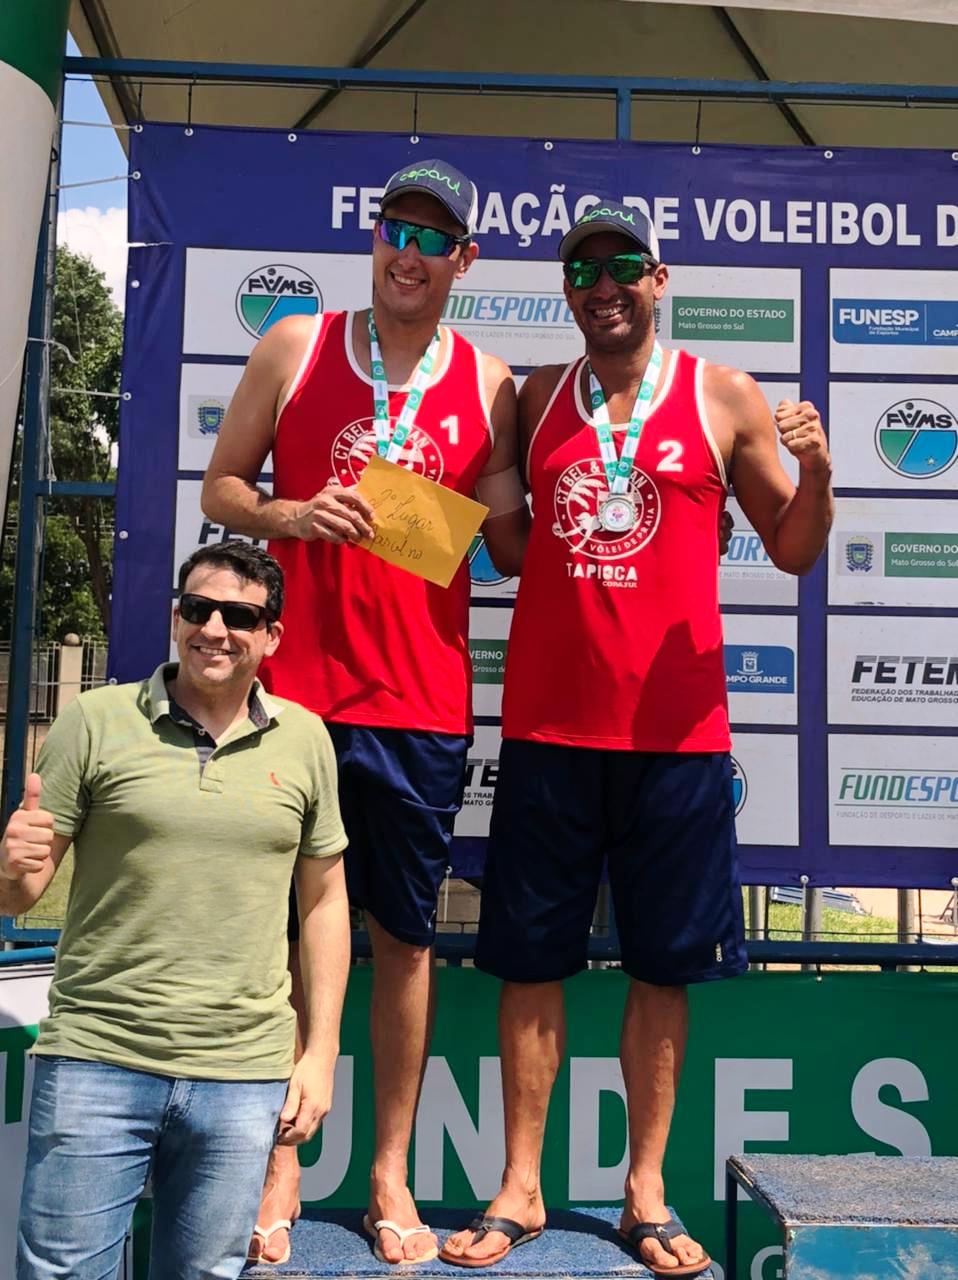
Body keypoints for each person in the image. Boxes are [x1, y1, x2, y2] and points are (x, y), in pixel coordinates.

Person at [441, 201, 833, 1277]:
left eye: (621, 264)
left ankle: (643, 1189)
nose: (601, 282)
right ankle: (520, 1185)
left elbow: (793, 551)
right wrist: (413, 504)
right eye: (582, 267)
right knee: (531, 966)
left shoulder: (721, 394)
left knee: (662, 969)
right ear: (565, 288)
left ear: (658, 278)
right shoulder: (529, 398)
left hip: (676, 739)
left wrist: (823, 475)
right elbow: (506, 550)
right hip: (548, 730)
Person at [201, 159, 527, 1265]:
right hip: (293, 697)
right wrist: (295, 510)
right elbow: (222, 488)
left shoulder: (490, 383)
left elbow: (506, 539)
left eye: (433, 238)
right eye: (395, 227)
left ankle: (388, 1169)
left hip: (421, 702)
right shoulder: (295, 343)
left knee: (404, 936)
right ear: (372, 236)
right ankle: (279, 1162)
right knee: (280, 934)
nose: (408, 251)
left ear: (462, 263)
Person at [0, 542, 350, 1280]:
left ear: (272, 636)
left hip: (242, 1072)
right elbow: (20, 895)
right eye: (198, 609)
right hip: (99, 1057)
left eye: (239, 616)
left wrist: (318, 1056)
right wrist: (10, 871)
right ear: (175, 617)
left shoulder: (307, 739)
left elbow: (323, 904)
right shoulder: (94, 721)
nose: (214, 629)